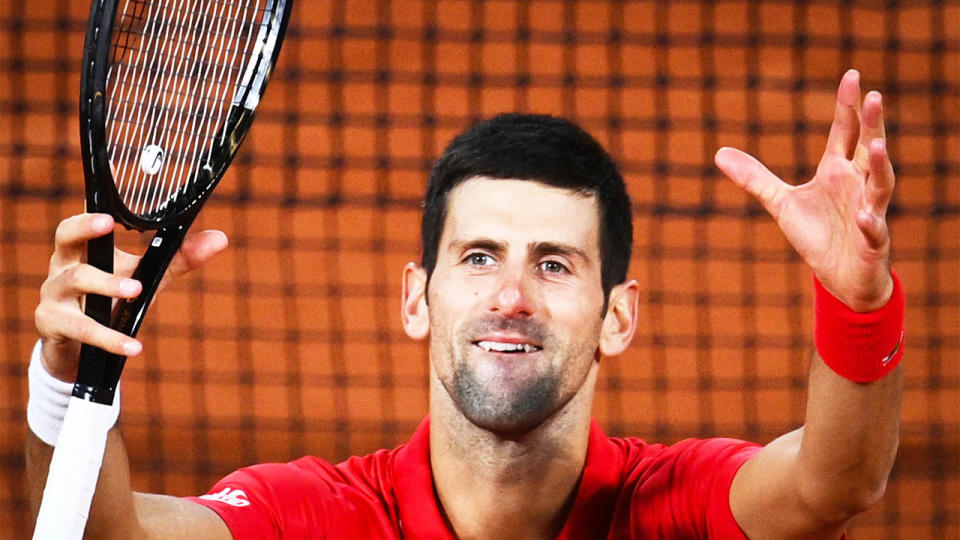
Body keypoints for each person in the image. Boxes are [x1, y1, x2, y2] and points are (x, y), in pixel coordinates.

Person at [27, 69, 903, 539]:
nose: (512, 296)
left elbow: (836, 483)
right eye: (479, 256)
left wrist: (856, 305)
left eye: (555, 265)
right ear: (419, 298)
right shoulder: (318, 520)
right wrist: (64, 380)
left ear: (619, 316)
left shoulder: (673, 506)